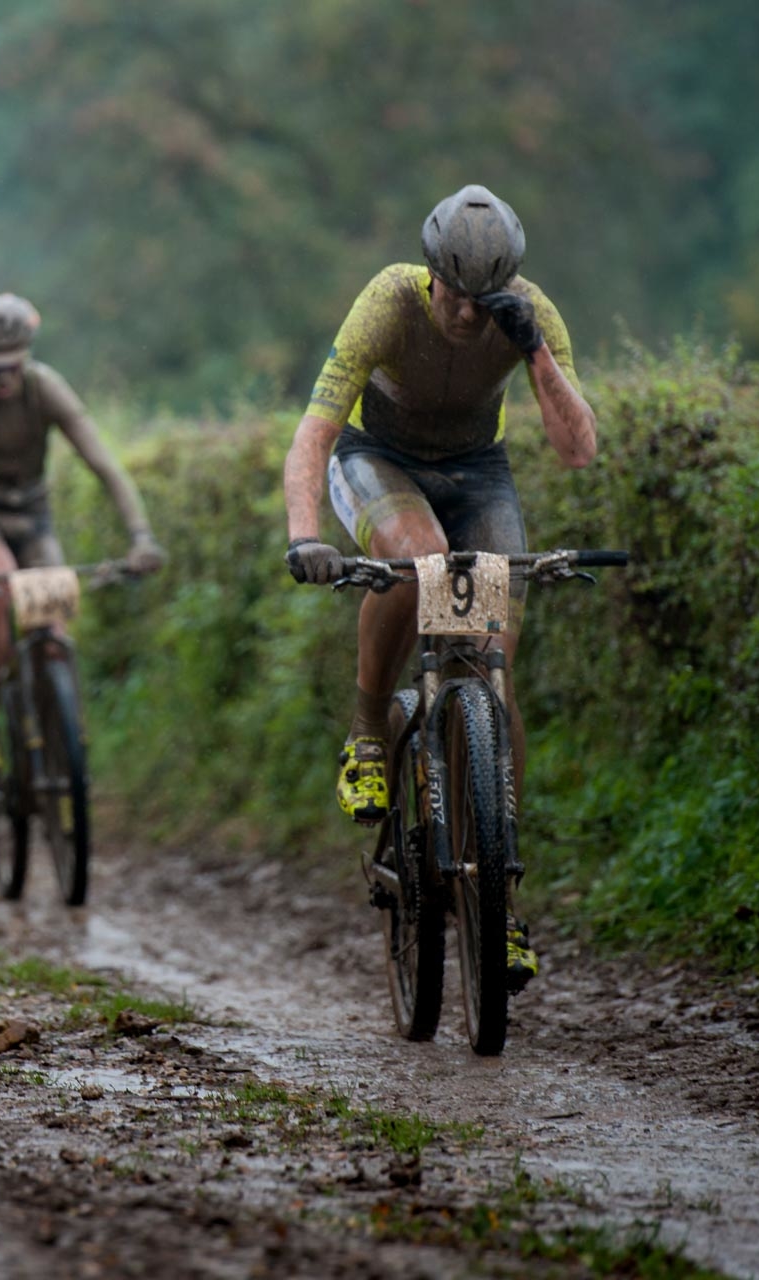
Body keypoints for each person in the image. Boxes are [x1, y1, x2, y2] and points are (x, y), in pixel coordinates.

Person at [279, 184, 597, 987]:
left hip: (478, 473)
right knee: (420, 561)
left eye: (480, 298)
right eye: (452, 294)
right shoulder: (388, 300)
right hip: (377, 457)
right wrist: (304, 535)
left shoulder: (530, 313)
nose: (464, 313)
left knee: (492, 666)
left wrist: (536, 355)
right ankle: (365, 731)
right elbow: (314, 433)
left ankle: (503, 901)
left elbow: (577, 448)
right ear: (430, 277)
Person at [0, 293, 165, 784]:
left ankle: (63, 729)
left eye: (12, 367)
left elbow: (104, 464)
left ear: (26, 357)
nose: (3, 377)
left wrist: (141, 536)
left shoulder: (46, 387)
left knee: (53, 628)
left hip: (32, 516)